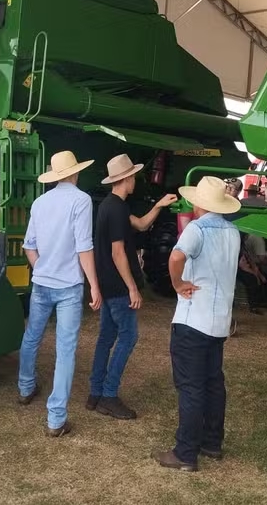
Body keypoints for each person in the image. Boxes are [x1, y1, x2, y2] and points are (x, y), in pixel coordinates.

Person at [152, 175, 241, 472]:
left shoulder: (196, 228)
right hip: (219, 321)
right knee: (213, 382)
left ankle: (185, 452)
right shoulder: (233, 232)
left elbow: (175, 257)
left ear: (198, 203)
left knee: (190, 386)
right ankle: (212, 442)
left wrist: (177, 284)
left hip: (193, 320)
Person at [18, 151, 103, 437]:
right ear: (75, 172)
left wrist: (41, 267)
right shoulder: (81, 200)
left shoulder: (40, 202)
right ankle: (55, 419)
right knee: (65, 349)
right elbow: (84, 246)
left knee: (32, 336)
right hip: (68, 285)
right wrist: (94, 284)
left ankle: (25, 387)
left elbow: (29, 245)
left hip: (41, 282)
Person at [87, 154, 178, 419]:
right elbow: (118, 253)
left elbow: (141, 224)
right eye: (134, 176)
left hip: (107, 283)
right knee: (128, 337)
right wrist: (133, 288)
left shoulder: (111, 205)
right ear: (127, 178)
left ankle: (95, 393)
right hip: (118, 286)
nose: (136, 180)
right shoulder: (117, 209)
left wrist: (159, 205)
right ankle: (109, 395)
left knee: (106, 338)